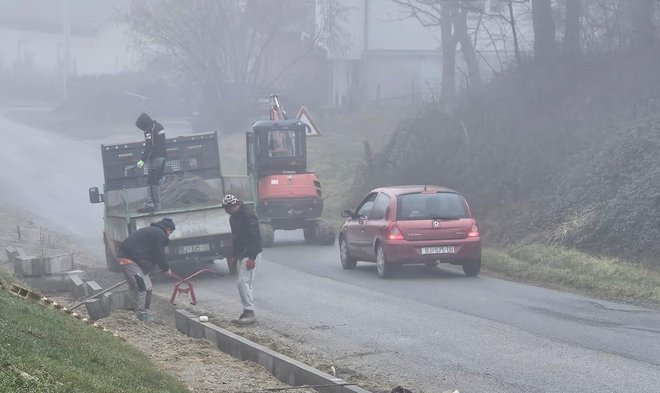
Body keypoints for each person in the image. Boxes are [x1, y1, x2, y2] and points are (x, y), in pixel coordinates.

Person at [116, 218, 176, 322]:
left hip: (129, 258)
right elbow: (158, 254)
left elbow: (148, 252)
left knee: (147, 287)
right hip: (129, 260)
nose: (170, 234)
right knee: (142, 286)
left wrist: (148, 268)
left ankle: (134, 309)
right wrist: (166, 269)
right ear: (168, 229)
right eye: (171, 232)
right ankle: (141, 314)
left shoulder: (153, 231)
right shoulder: (160, 234)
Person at [223, 194, 262, 325]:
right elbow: (236, 238)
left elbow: (255, 237)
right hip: (241, 253)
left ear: (235, 205)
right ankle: (248, 311)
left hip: (250, 253)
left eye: (227, 209)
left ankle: (249, 312)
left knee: (242, 283)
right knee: (246, 284)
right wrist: (234, 255)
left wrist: (252, 257)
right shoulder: (233, 218)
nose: (226, 211)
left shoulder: (248, 216)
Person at [135, 112, 167, 212]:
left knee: (151, 181)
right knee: (156, 180)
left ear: (143, 123)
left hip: (155, 158)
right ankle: (156, 205)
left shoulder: (149, 129)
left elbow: (149, 146)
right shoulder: (159, 126)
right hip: (163, 157)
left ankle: (151, 203)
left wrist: (142, 160)